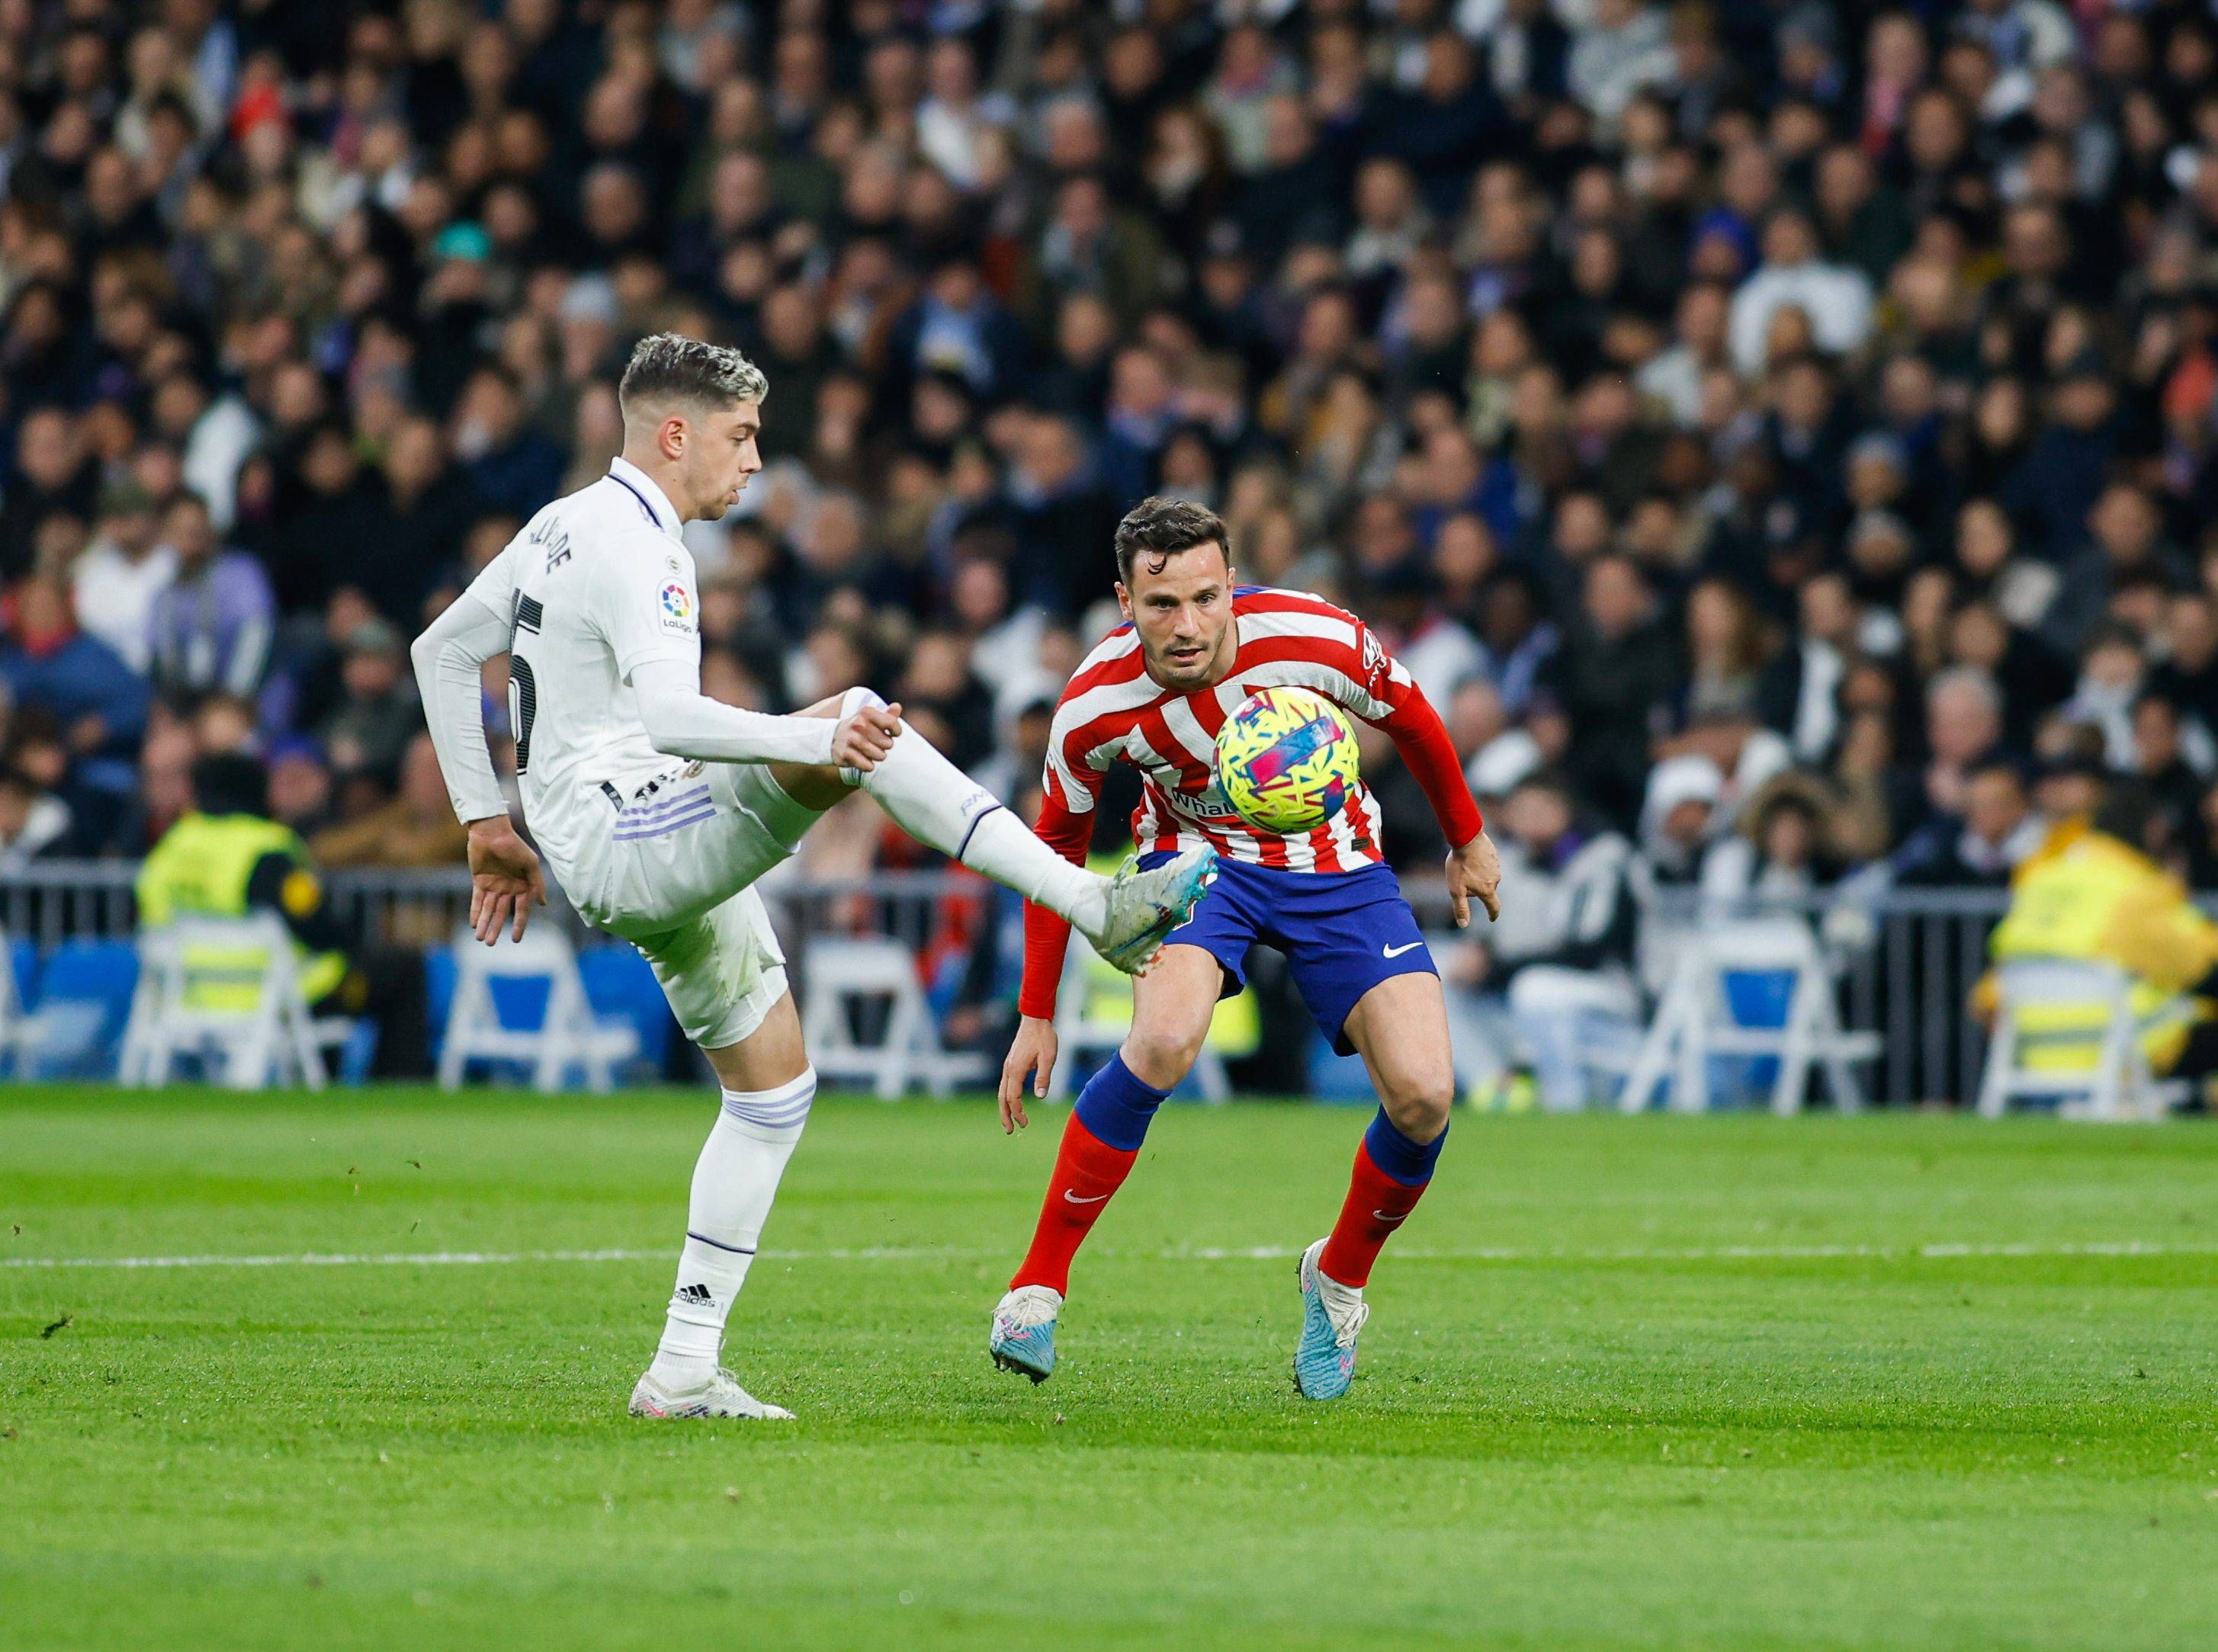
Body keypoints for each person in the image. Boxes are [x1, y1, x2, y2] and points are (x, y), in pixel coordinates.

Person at [409, 334, 1214, 1423]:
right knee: (859, 716)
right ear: (676, 433)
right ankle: (1089, 902)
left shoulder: (560, 524)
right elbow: (671, 717)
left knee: (775, 1089)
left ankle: (683, 1367)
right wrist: (813, 740)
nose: (754, 462)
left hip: (622, 833)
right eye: (741, 437)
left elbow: (443, 652)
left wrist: (484, 822)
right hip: (639, 824)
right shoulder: (646, 548)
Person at [985, 496, 1504, 1401]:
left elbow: (1414, 716)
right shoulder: (1091, 706)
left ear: (1231, 585)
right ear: (1123, 601)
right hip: (1197, 864)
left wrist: (1467, 837)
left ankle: (1335, 1281)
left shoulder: (1315, 636)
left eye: (1203, 598)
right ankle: (1035, 1289)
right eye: (1159, 605)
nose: (1185, 626)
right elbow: (1054, 849)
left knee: (1423, 1096)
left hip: (1337, 864)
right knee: (1158, 1041)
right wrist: (1035, 1010)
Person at [134, 752, 432, 1078]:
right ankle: (397, 1084)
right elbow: (315, 923)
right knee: (402, 967)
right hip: (273, 994)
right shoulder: (264, 847)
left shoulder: (173, 845)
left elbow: (148, 913)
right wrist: (353, 939)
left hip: (186, 993)